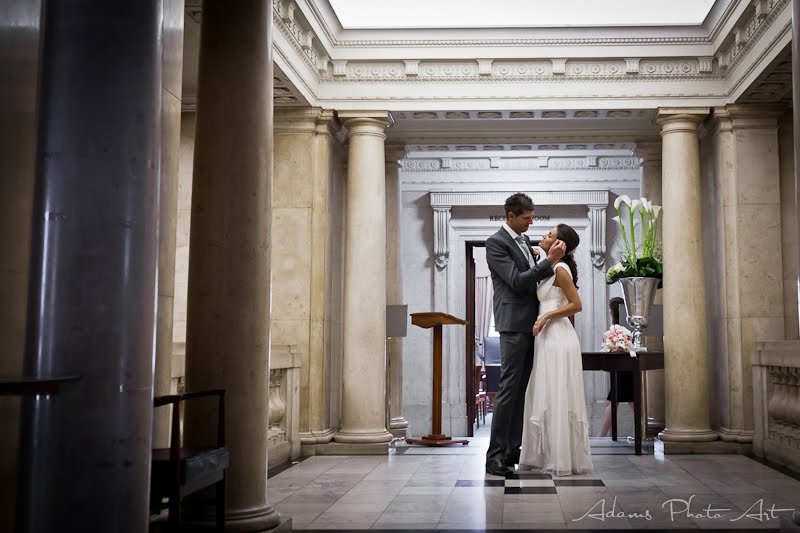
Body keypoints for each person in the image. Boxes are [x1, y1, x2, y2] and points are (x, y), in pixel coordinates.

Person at [484, 193, 566, 477]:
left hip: (533, 325)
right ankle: (494, 457)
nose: (531, 223)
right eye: (526, 218)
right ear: (510, 216)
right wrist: (548, 261)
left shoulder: (524, 243)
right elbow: (518, 283)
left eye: (532, 218)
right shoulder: (496, 243)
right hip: (512, 324)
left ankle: (511, 452)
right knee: (508, 390)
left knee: (521, 391)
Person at [519, 224, 593, 476]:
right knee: (545, 393)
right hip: (546, 338)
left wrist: (547, 315)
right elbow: (531, 249)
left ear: (560, 245)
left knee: (557, 394)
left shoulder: (561, 269)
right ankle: (543, 455)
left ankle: (560, 458)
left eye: (549, 235)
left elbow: (576, 305)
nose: (543, 236)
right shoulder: (549, 266)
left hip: (559, 338)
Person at [599, 297, 634, 438]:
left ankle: (602, 436)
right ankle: (643, 428)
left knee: (612, 403)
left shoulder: (619, 329)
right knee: (628, 401)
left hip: (621, 369)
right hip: (625, 368)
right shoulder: (626, 327)